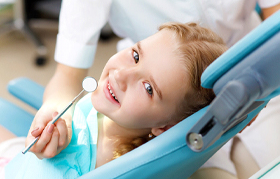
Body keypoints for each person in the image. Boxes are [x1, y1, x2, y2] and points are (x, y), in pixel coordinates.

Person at [2, 22, 228, 178]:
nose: (120, 75)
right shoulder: (113, 112)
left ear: (164, 126)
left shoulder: (103, 167)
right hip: (17, 162)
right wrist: (55, 109)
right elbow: (62, 86)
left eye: (148, 88)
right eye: (136, 56)